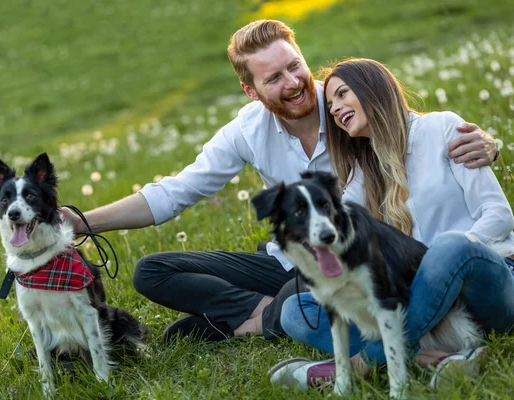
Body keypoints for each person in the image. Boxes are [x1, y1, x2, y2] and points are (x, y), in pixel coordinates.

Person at [62, 20, 498, 343]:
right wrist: (80, 223)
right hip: (291, 261)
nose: (293, 84)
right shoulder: (248, 130)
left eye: (295, 67)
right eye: (274, 78)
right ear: (251, 91)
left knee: (217, 324)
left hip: (344, 259)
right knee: (152, 271)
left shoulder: (347, 105)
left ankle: (252, 321)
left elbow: (404, 133)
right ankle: (264, 316)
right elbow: (176, 191)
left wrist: (485, 142)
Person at [270, 58, 514, 390]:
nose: (337, 108)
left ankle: (362, 363)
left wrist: (435, 268)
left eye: (343, 94)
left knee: (450, 247)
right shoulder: (360, 175)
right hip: (422, 305)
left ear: (374, 87)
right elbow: (341, 237)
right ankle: (442, 358)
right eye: (331, 105)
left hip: (488, 283)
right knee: (296, 310)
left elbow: (500, 216)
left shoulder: (442, 128)